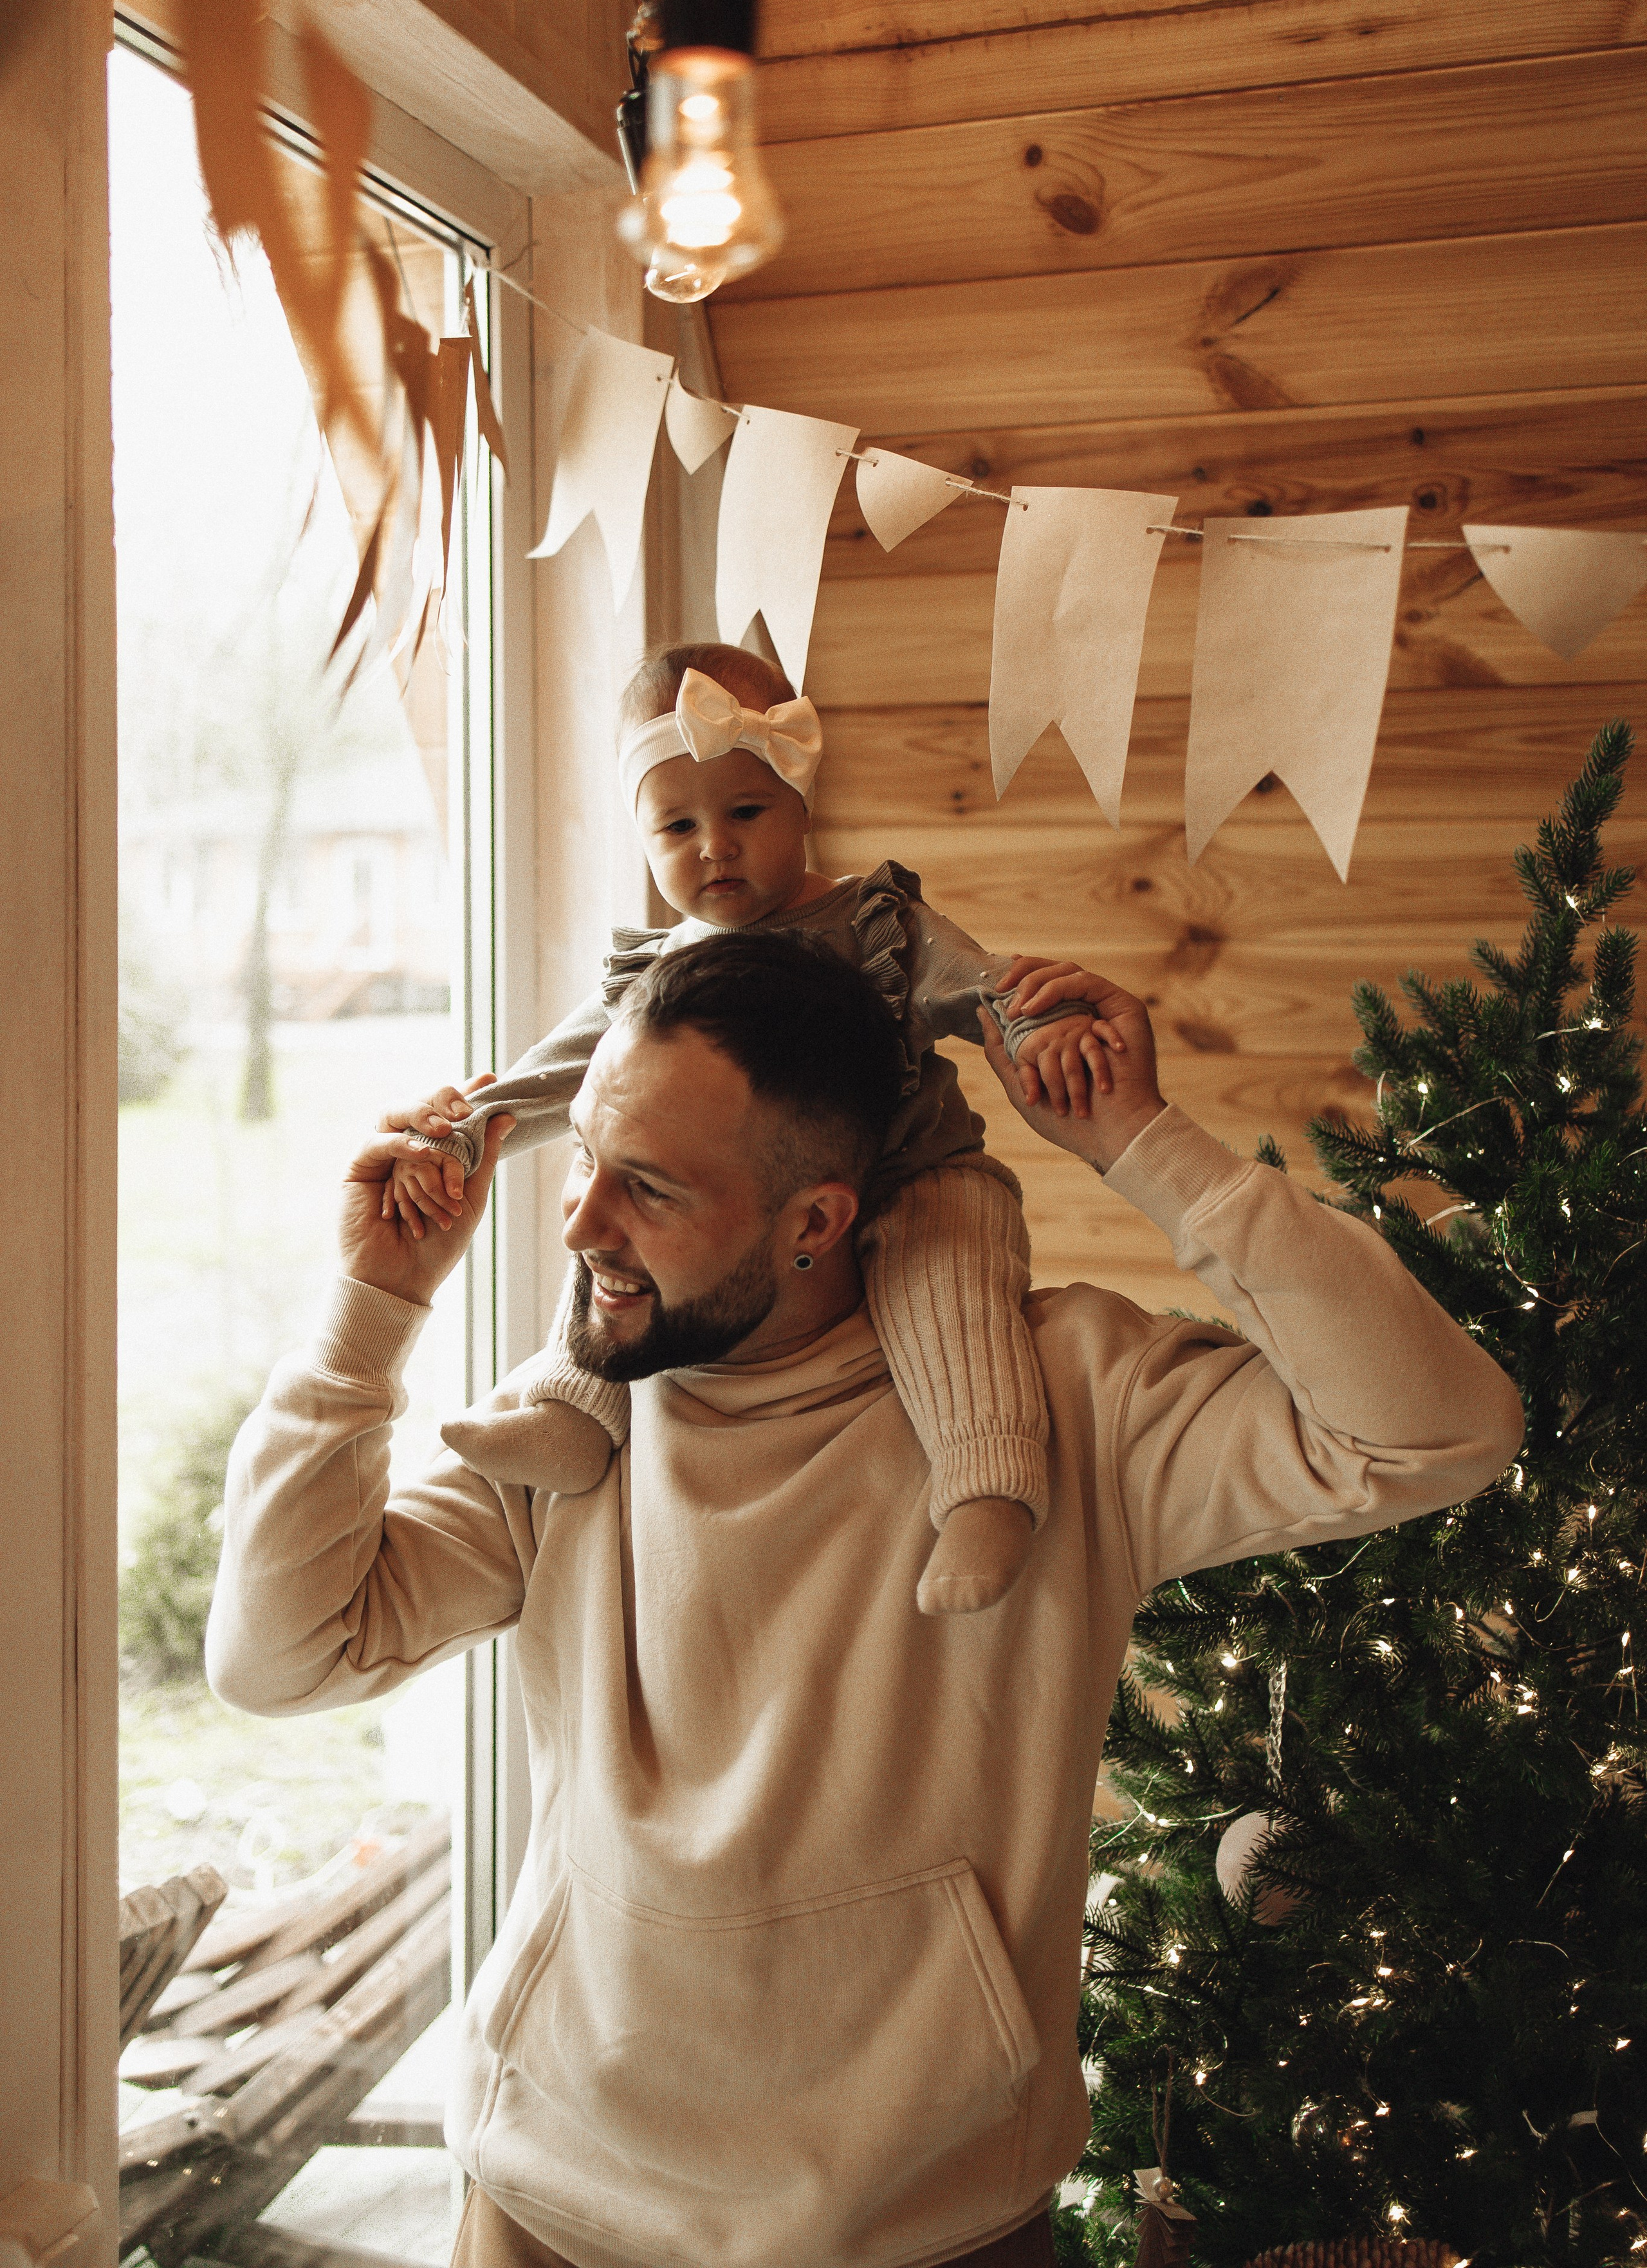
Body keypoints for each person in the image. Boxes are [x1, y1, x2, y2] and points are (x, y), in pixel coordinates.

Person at [207, 936, 1523, 2268]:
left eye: (647, 1188)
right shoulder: (568, 1430)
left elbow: (1439, 1431)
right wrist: (370, 1308)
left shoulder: (1062, 1404)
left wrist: (1141, 1140)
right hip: (550, 2210)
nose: (580, 1220)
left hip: (924, 2233)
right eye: (588, 1157)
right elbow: (280, 1656)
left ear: (815, 1222)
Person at [379, 641, 1119, 1616]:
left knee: (955, 1290)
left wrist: (1042, 1021)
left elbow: (977, 983)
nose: (714, 848)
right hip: (730, 1204)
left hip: (915, 1167)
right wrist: (465, 1130)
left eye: (746, 814)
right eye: (676, 827)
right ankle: (570, 1410)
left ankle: (987, 1483)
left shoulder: (872, 920)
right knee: (618, 1221)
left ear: (802, 805)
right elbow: (560, 1072)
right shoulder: (658, 969)